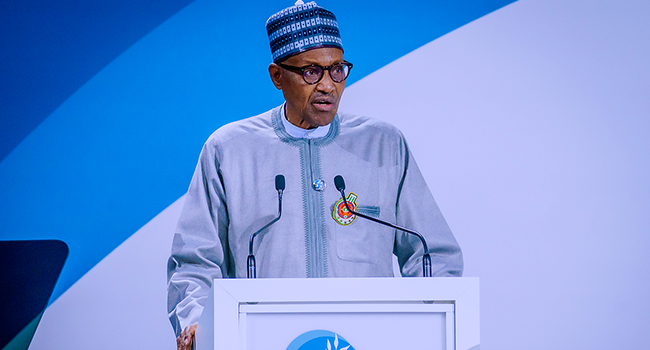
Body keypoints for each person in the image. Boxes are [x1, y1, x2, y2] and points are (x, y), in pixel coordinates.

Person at [168, 1, 463, 349]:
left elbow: (432, 255)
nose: (328, 85)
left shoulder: (383, 145)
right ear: (277, 76)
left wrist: (439, 321)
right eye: (311, 72)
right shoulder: (229, 150)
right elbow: (195, 261)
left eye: (337, 69)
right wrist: (196, 321)